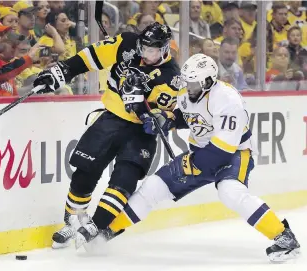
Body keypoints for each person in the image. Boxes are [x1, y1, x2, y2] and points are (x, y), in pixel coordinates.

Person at [88, 54, 301, 263]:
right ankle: (108, 231)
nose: (189, 87)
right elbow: (185, 115)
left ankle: (284, 236)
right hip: (201, 153)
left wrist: (193, 163)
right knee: (153, 186)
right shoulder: (188, 91)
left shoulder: (228, 100)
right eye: (187, 82)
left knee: (230, 191)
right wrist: (166, 120)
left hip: (234, 154)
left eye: (194, 83)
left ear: (208, 81)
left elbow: (222, 150)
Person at [32, 22, 184, 248]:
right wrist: (64, 71)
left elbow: (170, 115)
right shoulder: (127, 44)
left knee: (124, 180)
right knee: (84, 173)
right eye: (144, 48)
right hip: (110, 119)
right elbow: (93, 56)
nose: (145, 54)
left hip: (140, 133)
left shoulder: (171, 77)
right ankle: (72, 222)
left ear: (164, 50)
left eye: (152, 51)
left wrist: (155, 118)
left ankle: (96, 226)